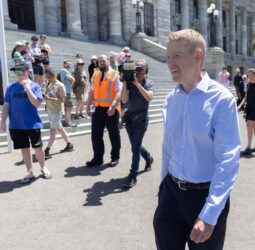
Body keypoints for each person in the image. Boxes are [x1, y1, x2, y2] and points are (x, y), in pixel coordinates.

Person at [153, 29, 241, 250]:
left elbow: (228, 161)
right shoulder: (171, 99)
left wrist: (210, 214)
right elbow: (168, 147)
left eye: (176, 56)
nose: (170, 63)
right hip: (171, 195)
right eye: (168, 57)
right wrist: (163, 189)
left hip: (204, 197)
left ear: (198, 56)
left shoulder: (222, 100)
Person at [0, 56, 52, 183]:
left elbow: (36, 103)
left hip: (32, 124)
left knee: (38, 148)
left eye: (21, 71)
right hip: (16, 125)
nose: (19, 74)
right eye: (16, 71)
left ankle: (43, 168)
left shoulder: (35, 86)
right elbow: (6, 106)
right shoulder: (10, 88)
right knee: (24, 149)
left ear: (28, 71)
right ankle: (30, 172)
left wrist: (27, 88)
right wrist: (2, 122)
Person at [121, 59, 154, 188]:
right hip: (129, 119)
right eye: (137, 67)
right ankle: (148, 157)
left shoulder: (149, 83)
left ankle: (132, 175)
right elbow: (124, 99)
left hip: (141, 119)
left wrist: (137, 84)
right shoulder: (129, 82)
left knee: (135, 147)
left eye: (141, 67)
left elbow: (149, 98)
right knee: (136, 145)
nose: (139, 69)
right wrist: (125, 82)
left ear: (146, 70)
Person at [86, 54, 121, 167]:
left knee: (113, 134)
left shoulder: (115, 74)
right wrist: (87, 106)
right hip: (98, 108)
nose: (101, 63)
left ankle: (115, 157)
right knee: (95, 134)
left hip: (111, 109)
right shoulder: (95, 74)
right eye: (99, 61)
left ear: (108, 62)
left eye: (103, 61)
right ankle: (98, 158)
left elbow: (119, 92)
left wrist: (113, 106)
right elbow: (91, 91)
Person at [43, 68, 74, 157]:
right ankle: (69, 144)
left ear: (54, 75)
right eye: (46, 77)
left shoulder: (60, 85)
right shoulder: (49, 83)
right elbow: (48, 94)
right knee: (59, 128)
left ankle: (47, 150)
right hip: (49, 110)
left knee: (53, 129)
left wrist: (50, 99)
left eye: (49, 77)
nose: (47, 79)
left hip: (56, 111)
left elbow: (62, 100)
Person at [238, 68, 255, 155]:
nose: (249, 76)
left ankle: (248, 147)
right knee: (254, 125)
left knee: (249, 124)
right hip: (249, 107)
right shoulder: (248, 84)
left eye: (250, 75)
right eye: (248, 75)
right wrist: (239, 106)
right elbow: (245, 98)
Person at [59, 60, 76, 127]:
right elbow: (73, 79)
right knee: (69, 107)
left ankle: (67, 121)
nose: (69, 65)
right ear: (64, 64)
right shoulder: (64, 70)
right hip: (67, 92)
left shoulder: (65, 71)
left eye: (70, 64)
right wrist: (72, 82)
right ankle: (68, 122)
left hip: (67, 91)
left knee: (68, 107)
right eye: (68, 64)